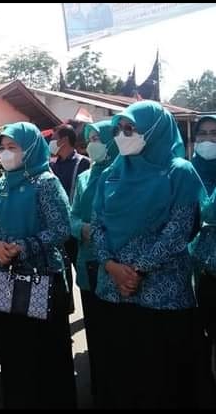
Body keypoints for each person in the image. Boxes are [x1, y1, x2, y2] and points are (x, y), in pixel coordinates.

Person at [91, 101, 215, 409]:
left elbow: (179, 231)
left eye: (130, 129)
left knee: (164, 384)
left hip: (164, 298)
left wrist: (135, 270)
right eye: (120, 129)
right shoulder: (111, 174)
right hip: (114, 296)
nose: (122, 135)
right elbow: (97, 225)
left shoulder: (179, 172)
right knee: (125, 380)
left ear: (155, 130)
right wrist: (110, 266)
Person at [0, 122, 76, 409]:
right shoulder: (0, 185)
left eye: (14, 147)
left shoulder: (46, 183)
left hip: (42, 281)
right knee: (15, 353)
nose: (6, 153)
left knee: (45, 355)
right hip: (8, 281)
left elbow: (62, 228)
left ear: (31, 148)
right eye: (3, 147)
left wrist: (26, 246)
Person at [69, 120, 118, 404]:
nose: (93, 144)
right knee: (96, 333)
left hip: (116, 266)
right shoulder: (87, 176)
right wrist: (81, 229)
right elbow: (72, 215)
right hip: (89, 264)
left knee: (118, 336)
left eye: (100, 137)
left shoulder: (121, 174)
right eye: (91, 138)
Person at [50, 123, 91, 314]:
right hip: (58, 230)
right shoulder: (52, 165)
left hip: (76, 228)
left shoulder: (83, 163)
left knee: (81, 269)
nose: (51, 142)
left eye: (53, 137)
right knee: (63, 272)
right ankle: (66, 309)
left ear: (64, 140)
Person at [190, 115, 216, 378]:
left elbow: (208, 209)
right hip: (195, 273)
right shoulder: (187, 172)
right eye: (202, 134)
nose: (208, 139)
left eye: (214, 134)